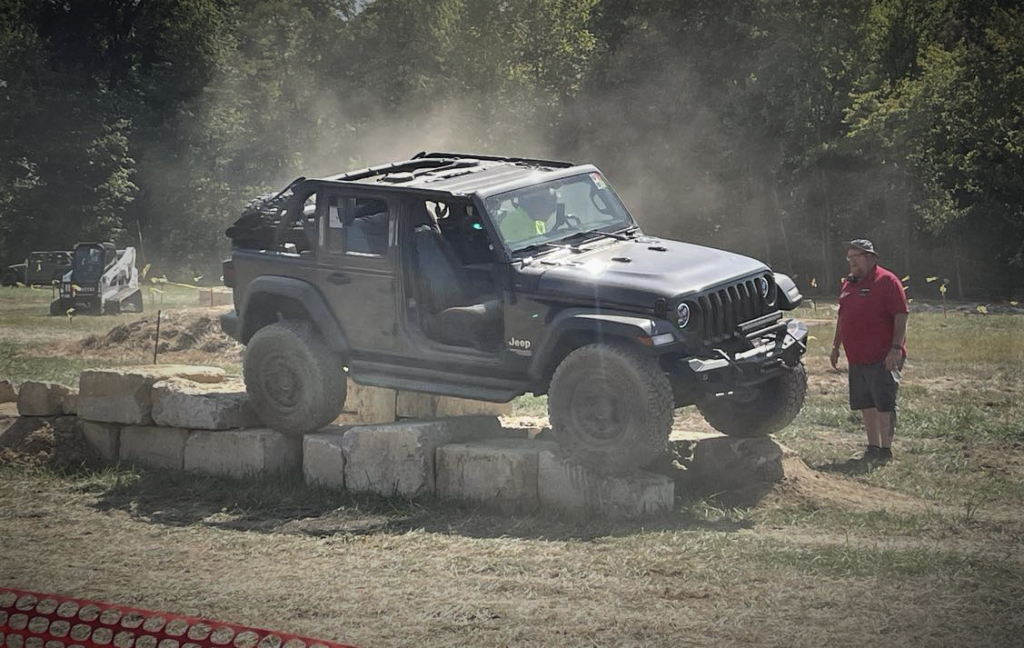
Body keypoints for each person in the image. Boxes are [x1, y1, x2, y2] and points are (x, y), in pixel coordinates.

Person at [829, 239, 909, 463]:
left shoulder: (887, 281)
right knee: (866, 404)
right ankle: (872, 447)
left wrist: (895, 348)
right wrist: (836, 346)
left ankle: (886, 451)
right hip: (857, 356)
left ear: (871, 258)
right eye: (849, 258)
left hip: (883, 356)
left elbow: (901, 315)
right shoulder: (849, 284)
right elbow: (842, 317)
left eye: (857, 257)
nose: (851, 262)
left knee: (884, 403)